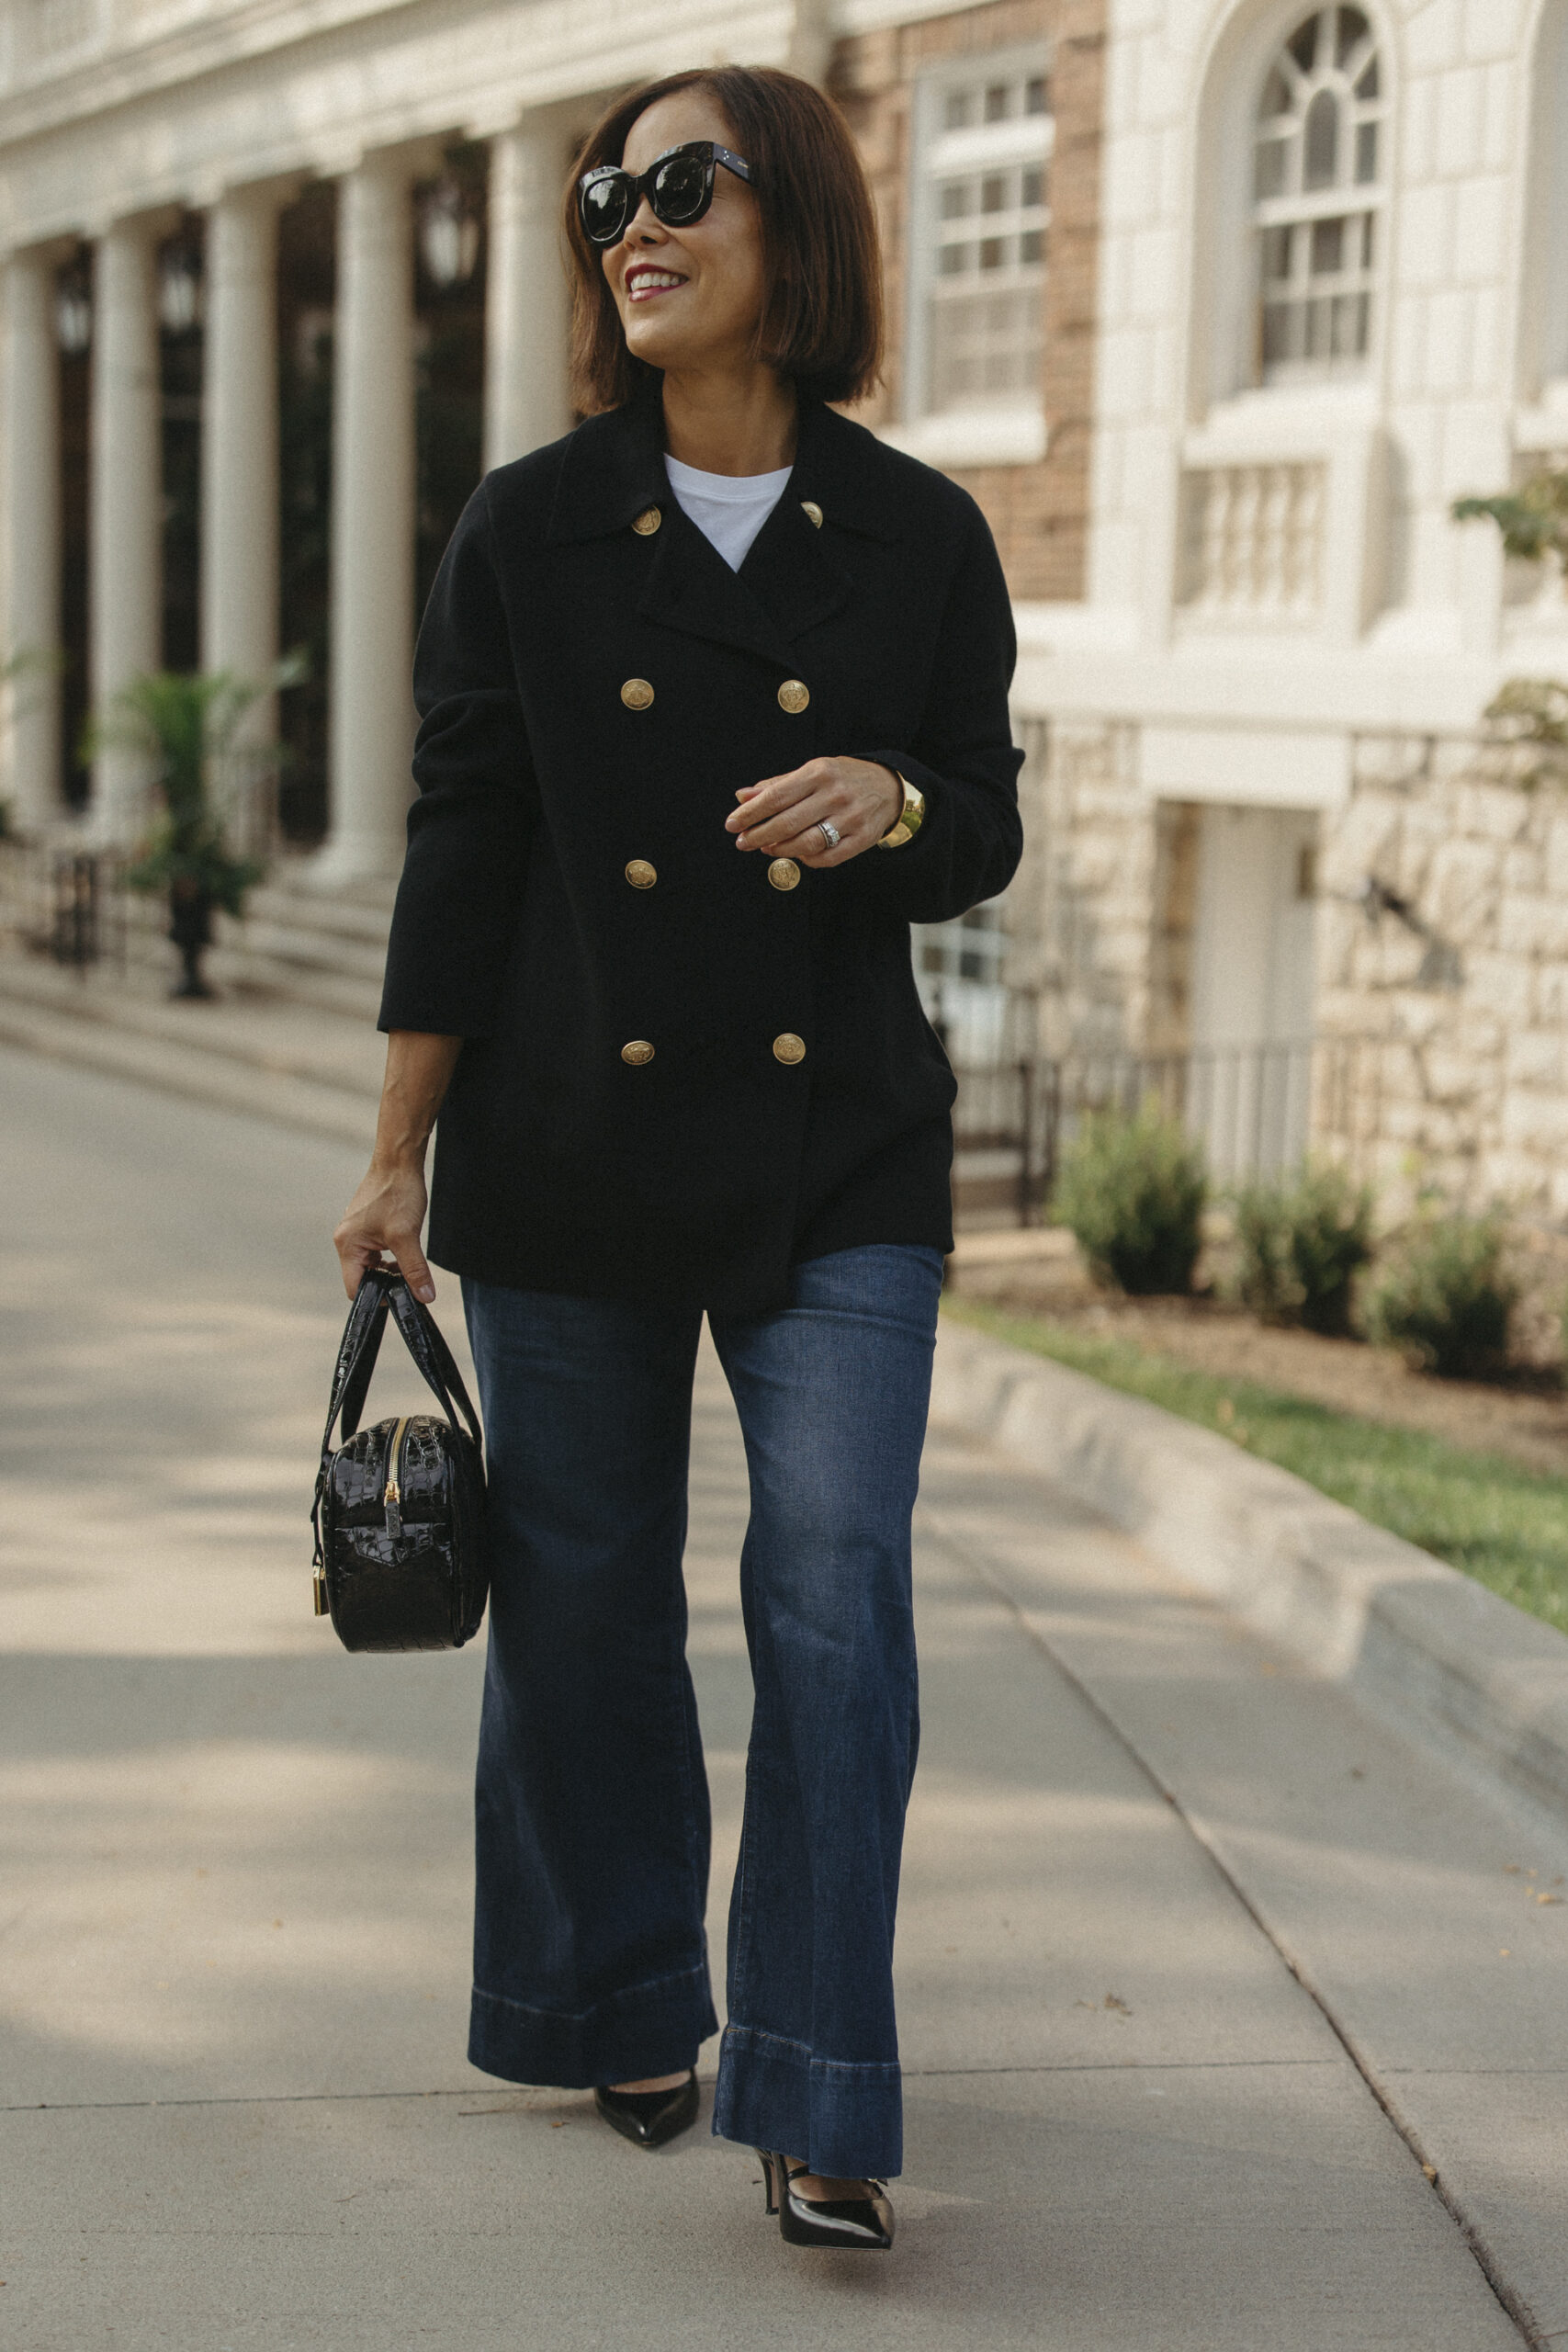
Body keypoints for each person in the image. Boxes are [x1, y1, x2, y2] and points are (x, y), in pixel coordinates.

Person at [333, 62, 1022, 2251]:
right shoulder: (525, 526)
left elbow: (980, 821)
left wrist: (891, 802)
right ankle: (622, 1994)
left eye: (681, 183)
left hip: (837, 1146)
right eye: (601, 197)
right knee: (585, 1597)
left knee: (833, 1577)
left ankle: (816, 2081)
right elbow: (461, 843)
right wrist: (394, 1155)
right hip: (567, 1128)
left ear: (791, 218)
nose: (630, 222)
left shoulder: (918, 531)